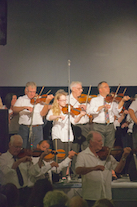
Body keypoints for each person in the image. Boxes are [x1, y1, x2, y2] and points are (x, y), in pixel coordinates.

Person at [75, 131, 131, 207]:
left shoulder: (107, 155)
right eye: (99, 141)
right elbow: (78, 170)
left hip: (106, 197)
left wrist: (124, 157)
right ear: (91, 142)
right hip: (91, 198)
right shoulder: (83, 155)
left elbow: (118, 170)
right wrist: (94, 168)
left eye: (102, 141)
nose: (102, 143)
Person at [46, 89, 86, 179]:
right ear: (57, 101)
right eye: (63, 100)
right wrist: (58, 116)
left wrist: (79, 116)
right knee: (60, 156)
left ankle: (66, 174)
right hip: (58, 135)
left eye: (65, 100)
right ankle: (60, 175)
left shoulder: (68, 109)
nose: (65, 102)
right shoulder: (54, 109)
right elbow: (49, 117)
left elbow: (74, 121)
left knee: (68, 157)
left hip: (68, 136)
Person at [0, 135, 46, 206]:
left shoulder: (23, 156)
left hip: (25, 191)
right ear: (10, 145)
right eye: (16, 147)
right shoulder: (3, 158)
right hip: (10, 194)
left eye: (20, 147)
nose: (18, 149)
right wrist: (20, 161)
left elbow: (33, 172)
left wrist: (41, 159)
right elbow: (6, 172)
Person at [88, 81, 130, 148]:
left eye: (108, 87)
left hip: (110, 126)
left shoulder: (112, 100)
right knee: (99, 147)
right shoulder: (94, 100)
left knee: (109, 147)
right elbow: (90, 111)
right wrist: (103, 106)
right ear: (100, 90)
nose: (108, 88)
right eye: (105, 87)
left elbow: (117, 111)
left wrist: (122, 101)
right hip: (98, 126)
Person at [13, 82, 54, 148]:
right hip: (24, 128)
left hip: (37, 128)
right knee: (23, 148)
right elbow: (14, 109)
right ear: (26, 90)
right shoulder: (21, 99)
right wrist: (24, 107)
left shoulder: (39, 100)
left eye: (34, 92)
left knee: (36, 148)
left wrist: (47, 102)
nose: (32, 94)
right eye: (30, 92)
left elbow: (43, 113)